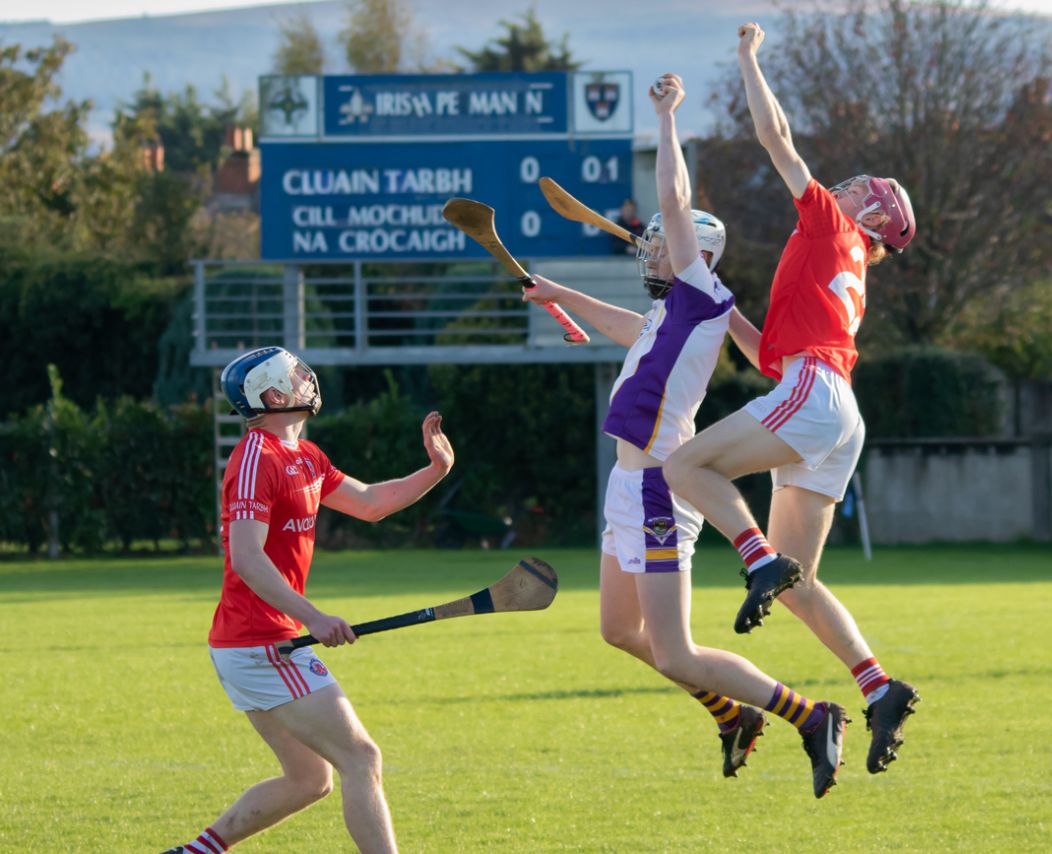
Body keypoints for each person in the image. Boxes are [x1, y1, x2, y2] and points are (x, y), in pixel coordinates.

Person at [524, 72, 849, 799]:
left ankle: (808, 714)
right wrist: (558, 294)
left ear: (693, 252)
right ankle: (729, 713)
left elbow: (673, 200)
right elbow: (621, 326)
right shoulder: (671, 316)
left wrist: (667, 118)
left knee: (673, 651)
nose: (650, 255)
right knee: (618, 631)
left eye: (661, 248)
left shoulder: (702, 293)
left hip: (660, 488)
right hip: (624, 486)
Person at [660, 21, 919, 775]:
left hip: (814, 393)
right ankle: (878, 687)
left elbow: (777, 138)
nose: (844, 188)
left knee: (685, 468)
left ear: (867, 215)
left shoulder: (832, 224)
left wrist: (747, 58)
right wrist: (718, 303)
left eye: (859, 192)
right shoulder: (843, 268)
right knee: (803, 583)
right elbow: (763, 350)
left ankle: (753, 559)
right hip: (834, 405)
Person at [162, 347, 455, 854]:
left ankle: (194, 852)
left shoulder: (306, 455)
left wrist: (436, 469)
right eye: (294, 376)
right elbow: (248, 559)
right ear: (273, 396)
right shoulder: (257, 458)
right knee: (361, 758)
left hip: (259, 641)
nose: (306, 379)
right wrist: (313, 618)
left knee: (309, 779)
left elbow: (370, 504)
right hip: (262, 642)